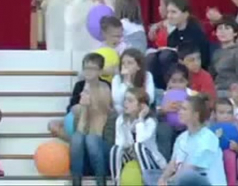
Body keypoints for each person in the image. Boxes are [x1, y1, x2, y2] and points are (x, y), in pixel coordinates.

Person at [155, 95, 225, 186]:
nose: (179, 112)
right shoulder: (181, 138)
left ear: (196, 115)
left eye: (184, 109)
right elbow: (172, 164)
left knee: (189, 177)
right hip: (181, 181)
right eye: (180, 109)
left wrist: (168, 182)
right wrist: (162, 179)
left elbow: (190, 169)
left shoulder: (208, 138)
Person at [69, 54, 113, 186]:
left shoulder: (105, 87)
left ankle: (101, 181)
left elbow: (101, 120)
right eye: (86, 68)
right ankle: (76, 182)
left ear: (100, 71)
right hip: (84, 145)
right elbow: (80, 125)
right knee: (77, 139)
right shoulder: (80, 86)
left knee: (91, 139)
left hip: (102, 144)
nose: (88, 72)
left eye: (92, 68)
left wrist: (91, 104)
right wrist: (84, 108)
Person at [149, 0, 209, 89]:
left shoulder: (196, 33)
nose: (169, 16)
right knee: (151, 58)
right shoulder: (172, 36)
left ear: (185, 14)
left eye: (173, 12)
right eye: (168, 12)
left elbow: (200, 60)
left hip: (194, 76)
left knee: (166, 55)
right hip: (176, 75)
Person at [110, 88, 166, 183]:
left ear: (142, 105)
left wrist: (140, 119)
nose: (126, 103)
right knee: (115, 149)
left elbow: (141, 141)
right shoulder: (121, 120)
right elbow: (120, 143)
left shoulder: (150, 122)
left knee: (138, 146)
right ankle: (117, 182)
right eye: (125, 100)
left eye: (130, 101)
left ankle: (148, 182)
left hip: (151, 162)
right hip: (131, 158)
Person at [155, 65, 193, 160]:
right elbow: (154, 114)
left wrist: (187, 108)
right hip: (168, 128)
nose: (177, 85)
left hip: (186, 127)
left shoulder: (192, 96)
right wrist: (164, 110)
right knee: (163, 129)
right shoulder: (162, 95)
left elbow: (200, 115)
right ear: (168, 82)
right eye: (173, 81)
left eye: (181, 81)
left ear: (187, 82)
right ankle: (164, 162)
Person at [209, 17, 238, 97]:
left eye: (227, 28)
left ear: (235, 33)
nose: (223, 32)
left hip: (233, 93)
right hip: (216, 90)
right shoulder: (216, 52)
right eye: (220, 28)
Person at [111, 49, 155, 114]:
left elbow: (150, 98)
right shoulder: (117, 78)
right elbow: (117, 100)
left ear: (138, 66)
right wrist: (126, 82)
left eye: (130, 63)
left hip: (142, 111)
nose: (125, 66)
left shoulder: (147, 76)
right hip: (122, 113)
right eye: (123, 63)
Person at [212, 98, 238, 186]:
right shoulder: (209, 126)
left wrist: (236, 147)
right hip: (214, 156)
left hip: (231, 156)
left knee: (229, 154)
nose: (226, 116)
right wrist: (215, 138)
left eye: (229, 113)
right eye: (221, 113)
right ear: (214, 114)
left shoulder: (236, 127)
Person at [178, 44, 216, 109]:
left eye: (198, 58)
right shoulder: (176, 74)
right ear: (181, 62)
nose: (196, 63)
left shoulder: (205, 76)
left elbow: (210, 102)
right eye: (191, 60)